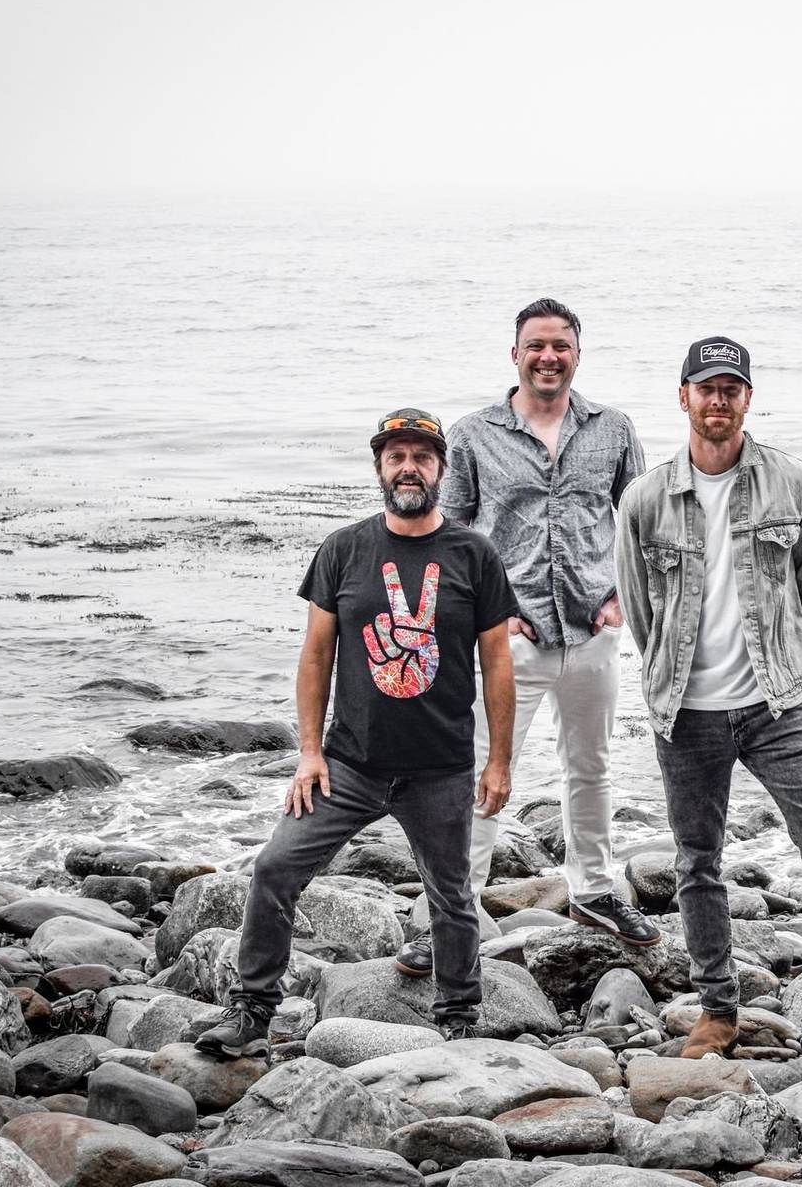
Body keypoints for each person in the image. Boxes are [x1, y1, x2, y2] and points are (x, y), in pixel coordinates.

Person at [197, 408, 519, 1058]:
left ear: (441, 470)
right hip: (350, 763)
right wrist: (308, 754)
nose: (409, 467)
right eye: (396, 455)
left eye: (422, 457)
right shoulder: (345, 549)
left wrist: (499, 762)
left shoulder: (473, 555)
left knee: (452, 897)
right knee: (274, 869)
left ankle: (459, 1016)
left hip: (440, 766)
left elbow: (498, 661)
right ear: (379, 467)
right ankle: (252, 1009)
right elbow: (316, 656)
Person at [615, 337, 802, 1065]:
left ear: (748, 398)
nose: (718, 400)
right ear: (684, 397)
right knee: (698, 861)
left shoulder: (792, 482)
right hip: (685, 712)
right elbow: (641, 612)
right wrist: (673, 672)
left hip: (776, 705)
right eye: (706, 387)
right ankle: (717, 1009)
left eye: (732, 387)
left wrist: (780, 661)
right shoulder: (645, 497)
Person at [440, 299, 659, 946]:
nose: (548, 356)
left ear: (577, 355)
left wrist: (623, 596)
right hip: (507, 642)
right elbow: (448, 538)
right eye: (536, 345)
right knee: (481, 769)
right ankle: (454, 909)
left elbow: (640, 524)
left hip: (592, 635)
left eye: (560, 345)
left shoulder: (613, 430)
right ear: (516, 355)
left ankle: (592, 892)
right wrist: (488, 610)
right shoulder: (474, 434)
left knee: (590, 767)